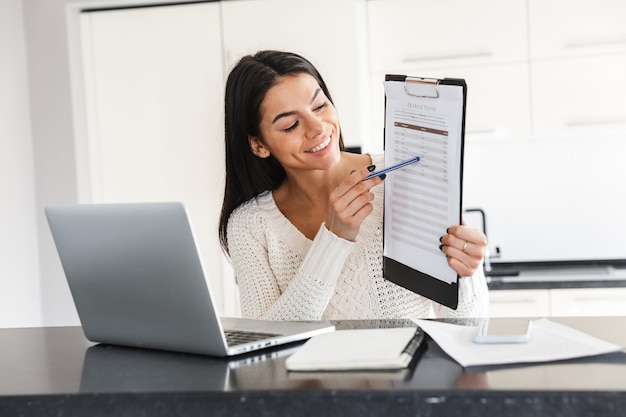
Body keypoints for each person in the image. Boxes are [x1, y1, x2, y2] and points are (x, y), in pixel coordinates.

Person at [219, 50, 489, 321]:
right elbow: (267, 345)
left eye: (320, 106)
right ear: (259, 144)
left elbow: (468, 324)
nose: (318, 128)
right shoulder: (249, 226)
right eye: (291, 125)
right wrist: (334, 239)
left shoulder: (403, 176)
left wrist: (464, 273)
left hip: (410, 363)